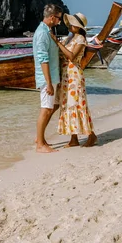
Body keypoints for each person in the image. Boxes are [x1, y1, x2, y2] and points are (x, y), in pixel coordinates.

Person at [50, 13, 97, 148]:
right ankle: (74, 138)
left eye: (72, 24)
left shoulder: (80, 39)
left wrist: (57, 42)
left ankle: (91, 135)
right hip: (66, 75)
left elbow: (71, 56)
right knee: (68, 105)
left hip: (74, 74)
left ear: (77, 26)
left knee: (77, 104)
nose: (69, 25)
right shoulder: (70, 38)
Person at [33, 4, 63, 153]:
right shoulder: (42, 34)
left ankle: (40, 138)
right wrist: (49, 83)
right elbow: (43, 59)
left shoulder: (48, 31)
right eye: (58, 19)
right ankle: (40, 144)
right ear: (52, 18)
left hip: (52, 76)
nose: (60, 22)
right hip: (47, 78)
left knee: (53, 106)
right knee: (45, 109)